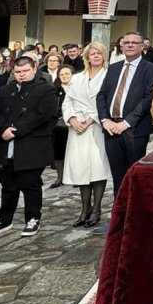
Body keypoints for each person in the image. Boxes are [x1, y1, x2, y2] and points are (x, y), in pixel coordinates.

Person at [0, 54, 57, 237]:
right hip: (6, 144)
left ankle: (33, 218)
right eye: (18, 72)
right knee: (7, 183)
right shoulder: (5, 90)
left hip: (31, 144)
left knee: (30, 183)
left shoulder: (45, 89)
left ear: (34, 69)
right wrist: (3, 129)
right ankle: (4, 218)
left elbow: (43, 115)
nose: (22, 75)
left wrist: (16, 130)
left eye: (25, 71)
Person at [97, 31, 153, 195]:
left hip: (134, 129)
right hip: (111, 129)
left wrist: (126, 123)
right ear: (121, 46)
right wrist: (105, 120)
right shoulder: (113, 68)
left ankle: (133, 214)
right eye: (126, 42)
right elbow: (102, 95)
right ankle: (118, 214)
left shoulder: (151, 69)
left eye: (134, 42)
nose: (130, 45)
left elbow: (148, 98)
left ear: (142, 46)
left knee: (134, 176)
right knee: (117, 177)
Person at [62, 42, 110, 229]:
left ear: (104, 56)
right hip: (77, 128)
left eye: (99, 53)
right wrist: (72, 119)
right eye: (92, 54)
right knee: (81, 168)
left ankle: (97, 209)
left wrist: (92, 119)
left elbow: (109, 100)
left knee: (98, 168)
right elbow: (67, 102)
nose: (95, 56)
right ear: (87, 56)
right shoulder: (77, 77)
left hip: (97, 125)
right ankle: (84, 209)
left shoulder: (108, 76)